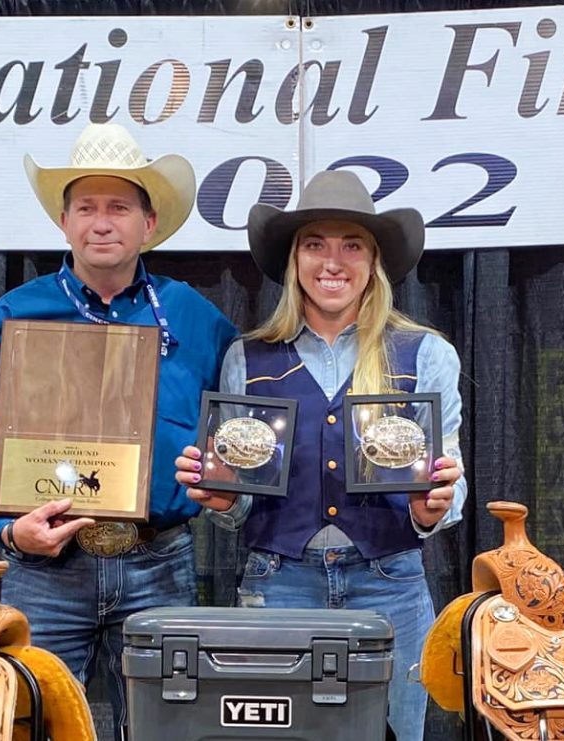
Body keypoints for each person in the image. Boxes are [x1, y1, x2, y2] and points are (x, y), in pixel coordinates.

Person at [0, 122, 237, 735]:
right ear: (64, 221)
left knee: (167, 730)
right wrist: (10, 532)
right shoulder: (17, 314)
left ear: (148, 224)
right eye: (86, 207)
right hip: (47, 573)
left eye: (119, 207)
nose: (102, 222)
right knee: (37, 726)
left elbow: (242, 433)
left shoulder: (197, 320)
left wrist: (228, 476)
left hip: (159, 563)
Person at [175, 170, 467, 741]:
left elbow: (449, 487)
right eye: (315, 245)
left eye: (351, 245)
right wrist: (223, 497)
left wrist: (433, 505)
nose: (333, 262)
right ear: (294, 261)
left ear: (374, 261)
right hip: (278, 582)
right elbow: (237, 505)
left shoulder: (425, 354)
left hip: (391, 584)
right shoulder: (248, 356)